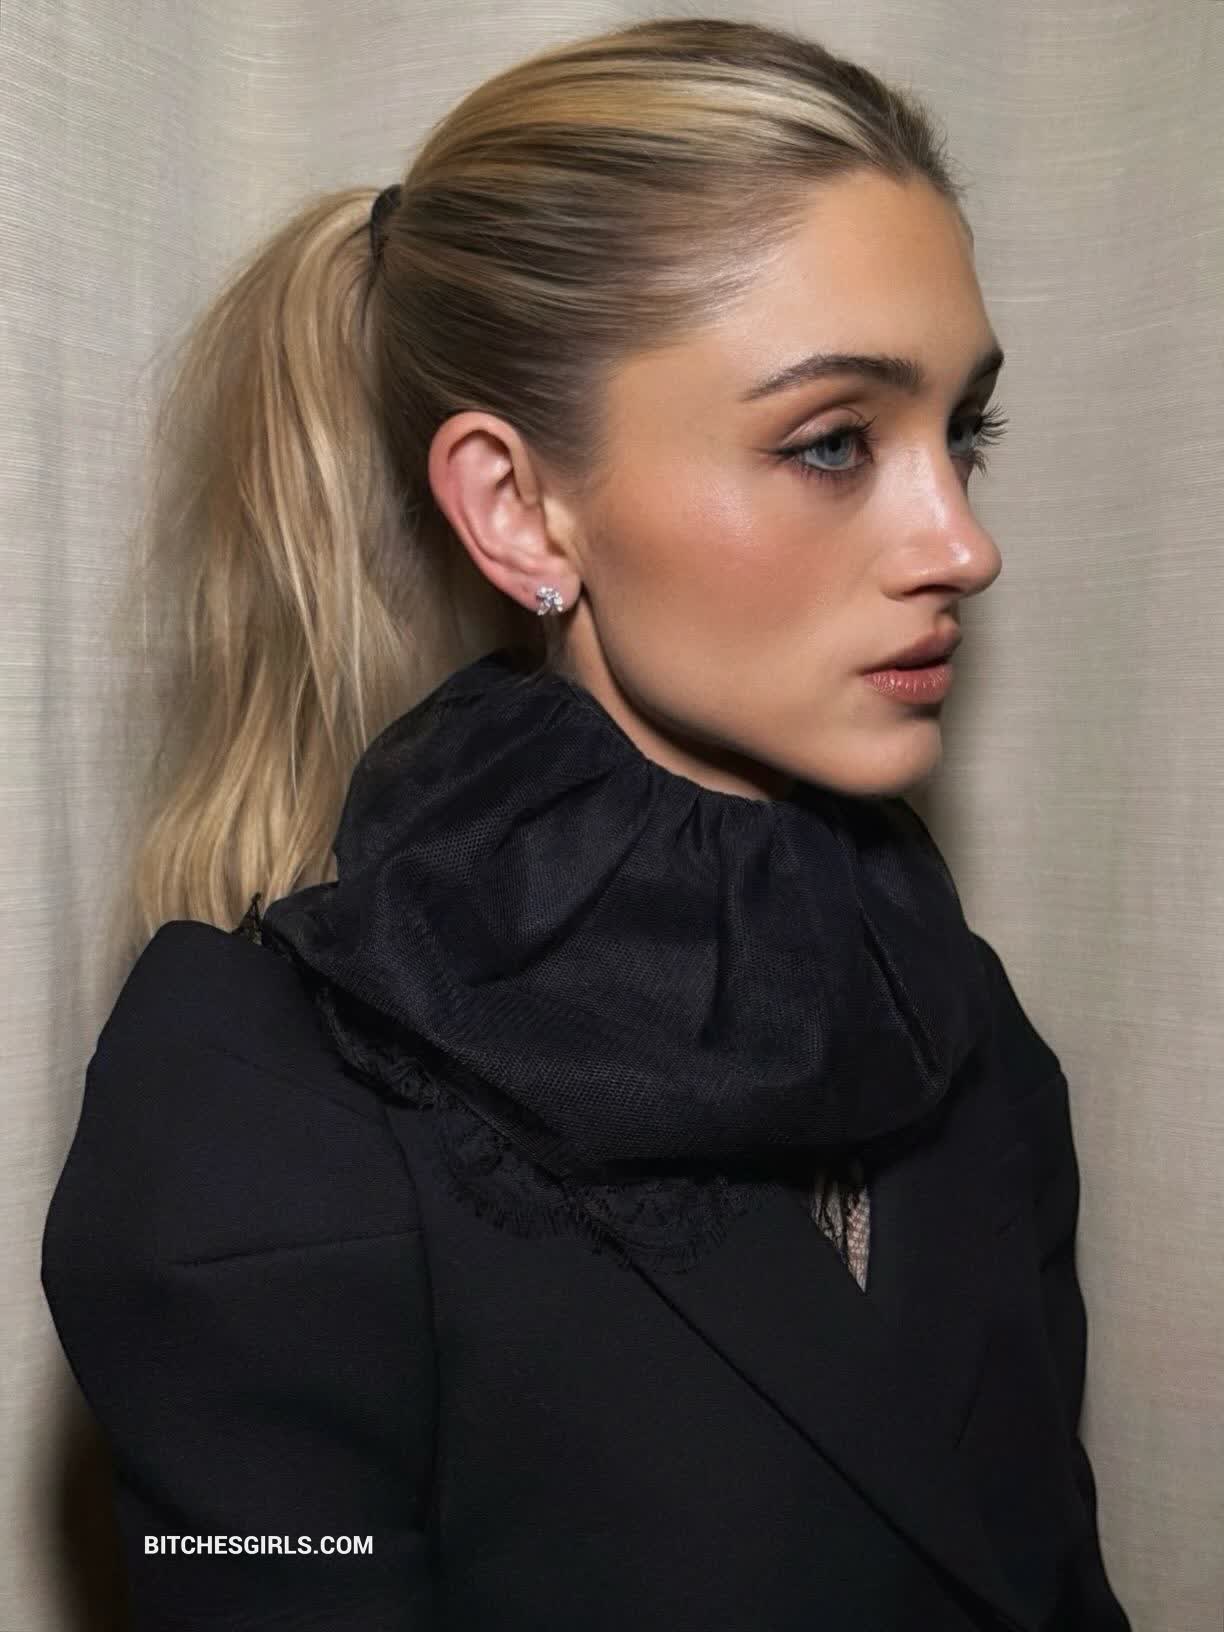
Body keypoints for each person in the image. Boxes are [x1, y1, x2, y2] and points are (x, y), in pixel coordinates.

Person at [40, 16, 1132, 1630]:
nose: (963, 544)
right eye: (834, 442)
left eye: (961, 432)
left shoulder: (948, 1002)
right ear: (517, 508)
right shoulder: (255, 1097)